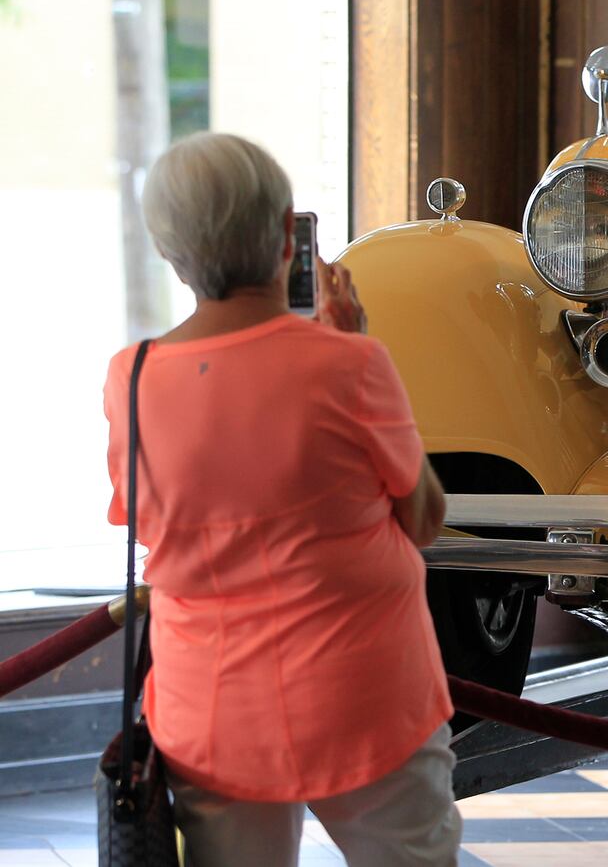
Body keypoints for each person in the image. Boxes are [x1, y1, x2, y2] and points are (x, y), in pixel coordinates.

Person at [102, 132, 460, 866]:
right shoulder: (351, 363)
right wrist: (353, 344)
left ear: (172, 252)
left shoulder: (131, 378)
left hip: (211, 705)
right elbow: (423, 518)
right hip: (365, 692)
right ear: (287, 237)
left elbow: (146, 520)